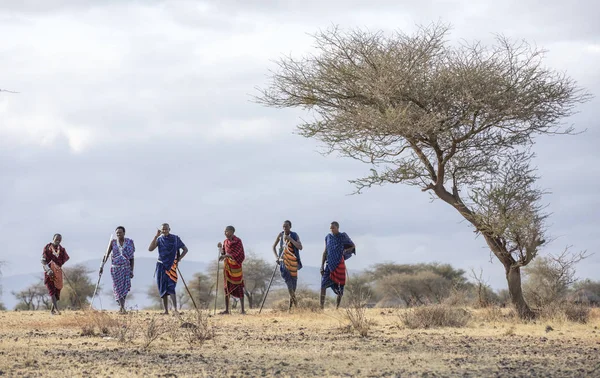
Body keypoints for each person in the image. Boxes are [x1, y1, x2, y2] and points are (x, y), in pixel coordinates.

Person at [148, 223, 188, 314]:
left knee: (171, 286)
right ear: (161, 230)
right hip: (161, 265)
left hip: (171, 266)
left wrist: (178, 259)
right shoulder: (159, 239)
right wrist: (155, 236)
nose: (164, 231)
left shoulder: (175, 239)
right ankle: (165, 311)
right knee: (162, 288)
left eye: (166, 229)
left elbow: (185, 249)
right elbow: (150, 249)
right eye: (163, 229)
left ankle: (175, 310)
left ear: (169, 229)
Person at [320, 221, 355, 309]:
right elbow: (325, 252)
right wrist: (322, 266)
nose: (332, 229)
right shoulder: (328, 237)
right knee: (323, 285)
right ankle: (321, 308)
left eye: (333, 228)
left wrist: (345, 251)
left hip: (339, 264)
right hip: (329, 265)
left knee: (340, 287)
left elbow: (352, 246)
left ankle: (337, 307)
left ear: (337, 228)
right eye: (330, 228)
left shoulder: (342, 236)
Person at [100, 226, 135, 313]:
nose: (119, 234)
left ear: (124, 233)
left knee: (125, 287)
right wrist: (102, 266)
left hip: (126, 268)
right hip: (115, 269)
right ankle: (122, 307)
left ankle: (122, 306)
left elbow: (132, 258)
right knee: (117, 288)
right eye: (117, 233)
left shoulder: (130, 242)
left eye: (120, 232)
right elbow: (106, 255)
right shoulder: (113, 243)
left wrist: (131, 270)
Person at [271, 220, 303, 310]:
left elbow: (300, 247)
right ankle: (297, 307)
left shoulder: (294, 235)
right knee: (289, 285)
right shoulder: (280, 235)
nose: (285, 228)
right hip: (283, 263)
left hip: (293, 263)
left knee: (294, 286)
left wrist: (290, 239)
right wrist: (277, 257)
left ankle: (290, 308)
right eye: (283, 226)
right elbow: (273, 247)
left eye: (287, 226)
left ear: (290, 227)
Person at [217, 225, 245, 314]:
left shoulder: (238, 241)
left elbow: (239, 254)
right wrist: (220, 248)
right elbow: (224, 252)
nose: (225, 233)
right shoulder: (225, 241)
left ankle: (243, 310)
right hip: (228, 267)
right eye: (225, 231)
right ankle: (226, 310)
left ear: (232, 232)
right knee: (227, 287)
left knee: (239, 286)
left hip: (236, 267)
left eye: (227, 231)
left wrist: (226, 256)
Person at [41, 234, 70, 315]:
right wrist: (48, 269)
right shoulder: (47, 248)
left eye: (59, 239)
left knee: (57, 291)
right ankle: (57, 310)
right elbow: (42, 260)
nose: (58, 240)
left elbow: (65, 258)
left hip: (58, 272)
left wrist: (58, 265)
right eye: (56, 239)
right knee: (52, 291)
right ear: (53, 238)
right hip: (49, 272)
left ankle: (52, 311)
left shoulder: (62, 249)